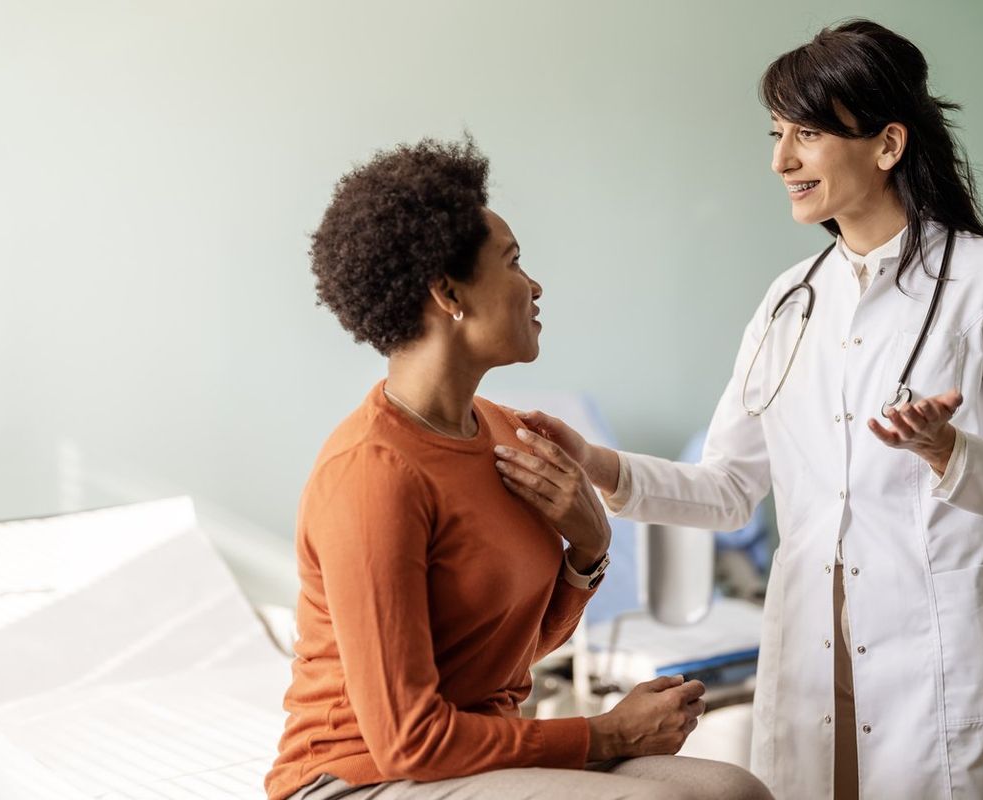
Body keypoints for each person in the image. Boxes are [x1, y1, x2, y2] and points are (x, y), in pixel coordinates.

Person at [498, 19, 983, 800]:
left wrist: (950, 453)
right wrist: (595, 463)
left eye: (806, 134)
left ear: (887, 144)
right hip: (815, 668)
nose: (781, 160)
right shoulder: (789, 303)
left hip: (943, 669)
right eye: (777, 134)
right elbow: (727, 488)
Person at [264, 138, 772, 800]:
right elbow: (408, 740)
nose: (534, 285)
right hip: (359, 777)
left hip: (477, 753)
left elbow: (503, 656)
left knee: (734, 791)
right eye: (512, 262)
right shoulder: (371, 475)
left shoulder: (507, 434)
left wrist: (587, 553)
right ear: (448, 292)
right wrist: (606, 733)